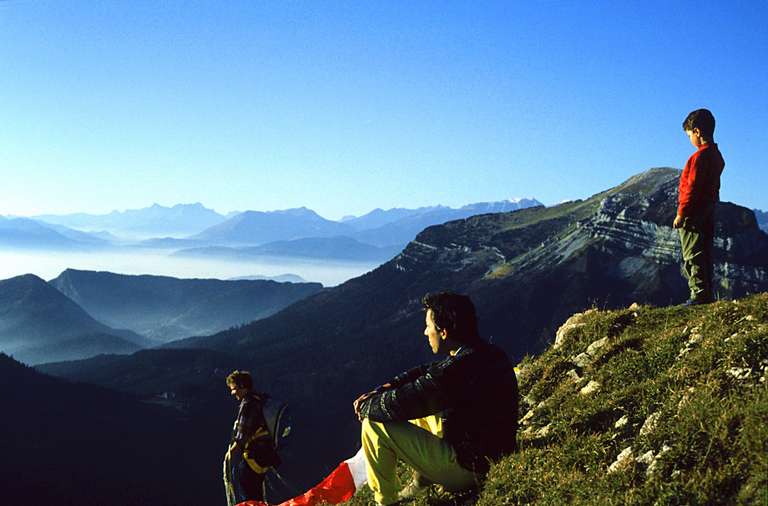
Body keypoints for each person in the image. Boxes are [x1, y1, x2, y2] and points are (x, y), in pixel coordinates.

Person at [353, 291, 518, 506]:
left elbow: (400, 403)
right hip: (492, 455)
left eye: (428, 326)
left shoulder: (457, 370)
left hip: (470, 469)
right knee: (424, 412)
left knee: (374, 423)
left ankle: (386, 502)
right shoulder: (484, 354)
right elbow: (425, 371)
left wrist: (366, 406)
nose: (425, 332)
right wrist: (385, 387)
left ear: (444, 332)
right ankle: (424, 479)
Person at [673, 108, 726, 305]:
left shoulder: (698, 158)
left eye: (689, 136)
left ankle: (698, 295)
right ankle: (707, 293)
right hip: (709, 209)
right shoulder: (717, 156)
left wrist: (681, 213)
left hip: (693, 213)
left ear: (696, 132)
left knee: (692, 253)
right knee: (705, 252)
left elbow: (691, 189)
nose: (690, 140)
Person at [224, 370, 281, 504]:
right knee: (257, 492)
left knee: (249, 492)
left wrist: (230, 454)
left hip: (253, 456)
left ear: (243, 386)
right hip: (266, 453)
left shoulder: (248, 404)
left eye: (234, 389)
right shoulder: (260, 399)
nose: (233, 393)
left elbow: (243, 434)